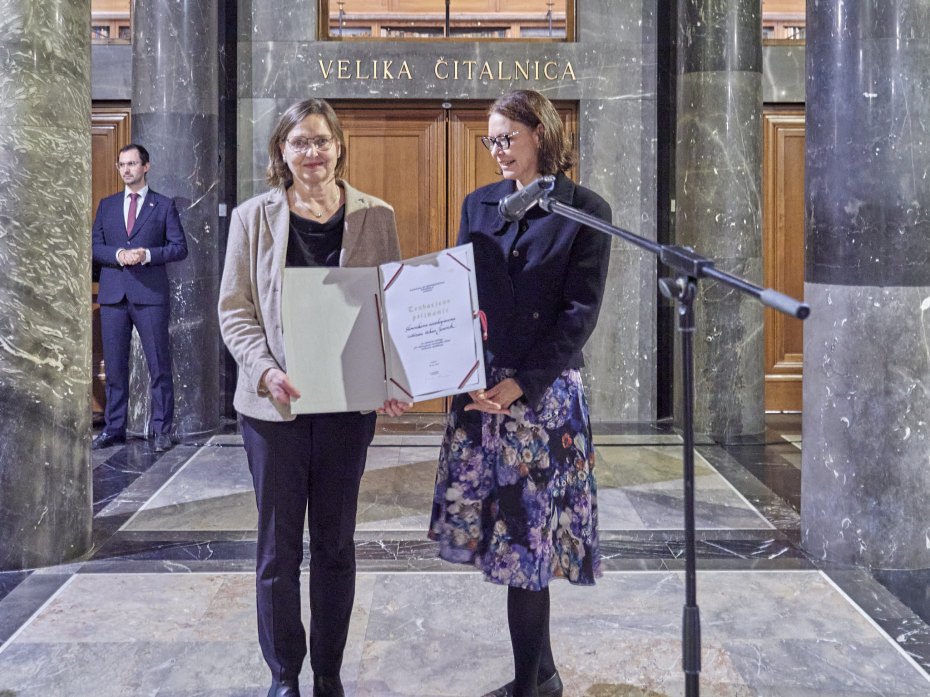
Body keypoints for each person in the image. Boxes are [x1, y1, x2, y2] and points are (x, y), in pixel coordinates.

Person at [218, 99, 411, 697]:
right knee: (278, 550)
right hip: (273, 409)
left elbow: (392, 310)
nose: (312, 153)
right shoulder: (253, 218)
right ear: (281, 150)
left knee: (334, 544)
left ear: (338, 147)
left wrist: (395, 380)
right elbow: (235, 312)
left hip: (347, 410)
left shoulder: (376, 215)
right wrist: (267, 370)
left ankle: (327, 672)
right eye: (299, 142)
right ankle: (284, 674)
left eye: (322, 141)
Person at [428, 90, 612, 697]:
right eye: (492, 140)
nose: (499, 150)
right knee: (509, 544)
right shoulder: (477, 204)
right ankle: (546, 675)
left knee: (528, 551)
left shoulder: (585, 211)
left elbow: (577, 316)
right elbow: (460, 297)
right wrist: (463, 373)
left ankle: (530, 688)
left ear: (542, 133)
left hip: (544, 399)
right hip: (482, 394)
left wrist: (520, 384)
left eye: (508, 137)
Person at [91, 143, 188, 452]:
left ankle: (162, 430)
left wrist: (146, 254)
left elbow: (179, 247)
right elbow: (94, 247)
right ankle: (114, 428)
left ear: (146, 167)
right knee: (116, 368)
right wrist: (118, 253)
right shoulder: (107, 205)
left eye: (132, 164)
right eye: (122, 165)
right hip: (113, 297)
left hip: (150, 296)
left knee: (159, 366)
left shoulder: (163, 206)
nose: (126, 170)